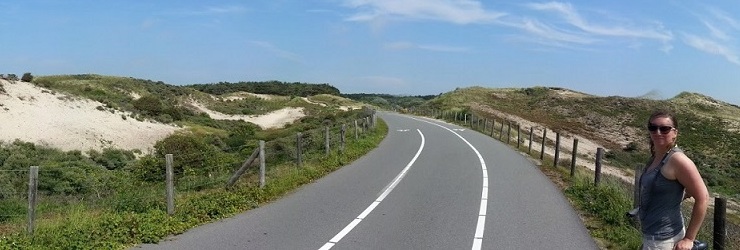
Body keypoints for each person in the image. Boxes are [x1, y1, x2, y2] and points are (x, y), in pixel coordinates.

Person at [638, 110, 708, 250]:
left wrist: (689, 238)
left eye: (664, 129)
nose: (658, 132)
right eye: (653, 127)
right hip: (651, 238)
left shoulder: (677, 160)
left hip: (665, 240)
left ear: (675, 132)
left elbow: (703, 197)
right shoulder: (655, 158)